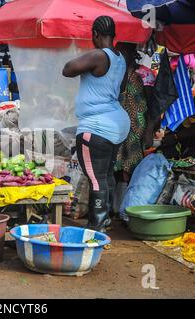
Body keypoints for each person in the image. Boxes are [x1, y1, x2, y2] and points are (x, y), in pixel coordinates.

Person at [62, 16, 130, 232]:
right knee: (106, 173)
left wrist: (85, 55)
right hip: (117, 124)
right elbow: (120, 88)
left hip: (97, 127)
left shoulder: (99, 55)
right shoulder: (120, 58)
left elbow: (68, 69)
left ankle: (97, 225)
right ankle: (106, 217)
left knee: (96, 177)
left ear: (95, 35)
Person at [115, 43, 151, 182]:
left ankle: (127, 200)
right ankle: (117, 200)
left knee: (131, 166)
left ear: (131, 53)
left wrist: (149, 129)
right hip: (117, 125)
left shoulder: (144, 73)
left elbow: (152, 102)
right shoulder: (115, 74)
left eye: (122, 52)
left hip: (136, 126)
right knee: (116, 166)